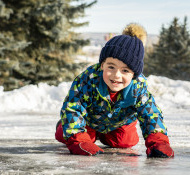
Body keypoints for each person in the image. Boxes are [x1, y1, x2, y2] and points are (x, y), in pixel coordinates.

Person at [55, 23, 174, 158]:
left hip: (118, 124)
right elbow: (73, 108)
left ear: (133, 74)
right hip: (89, 121)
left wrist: (159, 142)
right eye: (111, 67)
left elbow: (151, 114)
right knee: (65, 134)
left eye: (125, 70)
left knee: (127, 141)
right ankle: (81, 132)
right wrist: (79, 140)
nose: (117, 75)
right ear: (102, 65)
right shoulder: (87, 79)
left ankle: (105, 136)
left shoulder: (138, 87)